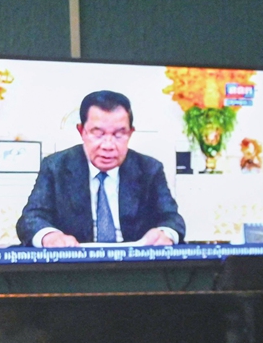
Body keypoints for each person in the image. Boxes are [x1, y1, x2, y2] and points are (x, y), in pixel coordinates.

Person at [16, 91, 185, 247]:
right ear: (82, 131)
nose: (108, 145)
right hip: (74, 268)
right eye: (98, 133)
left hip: (135, 268)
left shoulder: (149, 169)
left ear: (130, 133)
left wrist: (165, 234)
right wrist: (50, 236)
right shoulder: (55, 167)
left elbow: (172, 219)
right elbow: (31, 219)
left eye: (119, 134)